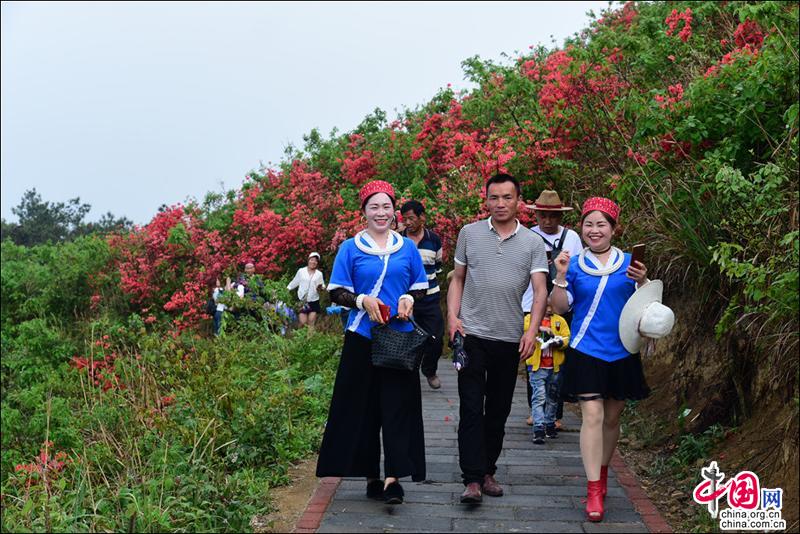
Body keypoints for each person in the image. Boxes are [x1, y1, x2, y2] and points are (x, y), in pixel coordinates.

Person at [316, 180, 430, 505]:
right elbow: (336, 290)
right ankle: (370, 473)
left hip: (398, 339)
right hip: (362, 338)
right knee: (363, 409)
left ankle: (394, 477)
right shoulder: (350, 249)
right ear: (363, 212)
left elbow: (420, 286)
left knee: (397, 407)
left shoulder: (406, 247)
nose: (381, 213)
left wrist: (408, 298)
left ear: (395, 212)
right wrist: (362, 300)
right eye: (374, 207)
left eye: (386, 207)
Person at [447, 173, 549, 504]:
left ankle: (488, 469)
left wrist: (531, 330)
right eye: (494, 198)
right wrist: (453, 318)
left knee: (500, 408)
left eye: (507, 197)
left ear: (519, 200)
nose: (500, 204)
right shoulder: (470, 234)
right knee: (471, 406)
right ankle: (472, 479)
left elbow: (539, 289)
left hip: (509, 337)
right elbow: (457, 279)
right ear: (486, 199)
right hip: (471, 333)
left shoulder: (533, 243)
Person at [550, 197, 650, 522]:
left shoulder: (629, 264)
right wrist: (561, 276)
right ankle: (593, 489)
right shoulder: (574, 264)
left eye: (601, 224)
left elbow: (647, 307)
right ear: (582, 228)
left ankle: (603, 472)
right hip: (585, 349)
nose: (594, 230)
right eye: (588, 224)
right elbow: (560, 308)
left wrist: (644, 281)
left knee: (611, 418)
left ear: (613, 228)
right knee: (592, 414)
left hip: (622, 350)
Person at [521, 190, 582, 428]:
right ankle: (534, 410)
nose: (547, 221)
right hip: (531, 304)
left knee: (558, 360)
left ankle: (555, 414)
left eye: (552, 216)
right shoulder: (527, 236)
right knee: (534, 356)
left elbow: (576, 271)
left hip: (561, 303)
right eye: (542, 216)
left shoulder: (572, 238)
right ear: (536, 215)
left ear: (560, 216)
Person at [400, 200, 445, 390]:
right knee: (405, 339)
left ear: (422, 217)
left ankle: (429, 369)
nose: (408, 222)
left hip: (430, 298)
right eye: (405, 219)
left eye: (411, 218)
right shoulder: (398, 240)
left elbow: (438, 267)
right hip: (404, 299)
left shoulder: (434, 240)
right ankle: (406, 376)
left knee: (436, 338)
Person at [525, 306, 570, 444]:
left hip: (555, 366)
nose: (549, 309)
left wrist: (559, 342)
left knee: (553, 396)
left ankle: (550, 423)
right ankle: (538, 428)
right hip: (537, 366)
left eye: (552, 306)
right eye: (546, 305)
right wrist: (539, 328)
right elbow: (526, 329)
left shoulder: (559, 321)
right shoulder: (530, 318)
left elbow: (567, 337)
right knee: (539, 397)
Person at [287, 252, 326, 329]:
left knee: (311, 321)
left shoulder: (319, 274)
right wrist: (287, 289)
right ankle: (299, 337)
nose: (313, 262)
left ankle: (310, 340)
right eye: (312, 260)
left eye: (315, 261)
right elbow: (295, 281)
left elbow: (322, 284)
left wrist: (321, 287)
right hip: (302, 300)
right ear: (308, 260)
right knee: (303, 321)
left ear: (317, 263)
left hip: (314, 300)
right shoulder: (301, 271)